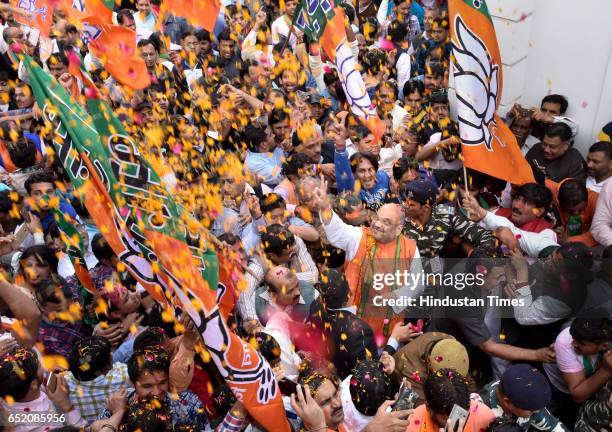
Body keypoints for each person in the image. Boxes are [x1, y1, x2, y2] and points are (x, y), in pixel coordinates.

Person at [313, 177, 423, 336]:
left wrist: (393, 297)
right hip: (354, 326)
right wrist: (325, 207)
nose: (377, 224)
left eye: (386, 222)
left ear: (398, 229)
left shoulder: (410, 248)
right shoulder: (358, 236)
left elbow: (417, 284)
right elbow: (337, 231)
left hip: (389, 329)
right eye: (377, 218)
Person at [98, 346, 208, 430]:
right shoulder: (117, 404)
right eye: (147, 386)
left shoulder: (189, 405)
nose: (156, 392)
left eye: (162, 383)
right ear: (133, 383)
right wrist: (119, 414)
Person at [543, 317, 611, 426]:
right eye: (574, 337)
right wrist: (606, 370)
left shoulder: (605, 339)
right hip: (556, 387)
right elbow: (577, 394)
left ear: (604, 346)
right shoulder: (564, 342)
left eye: (581, 343)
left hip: (589, 389)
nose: (573, 343)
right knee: (543, 413)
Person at [0, 347, 87, 431]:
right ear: (33, 384)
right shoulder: (39, 424)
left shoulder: (10, 390)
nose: (43, 366)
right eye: (39, 365)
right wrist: (66, 405)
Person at [479, 363, 570, 431]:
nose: (537, 411)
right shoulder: (479, 412)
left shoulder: (527, 400)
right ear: (507, 402)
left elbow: (554, 426)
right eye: (531, 409)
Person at [64, 336, 131, 422]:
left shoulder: (63, 386)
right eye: (110, 354)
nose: (111, 355)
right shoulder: (124, 375)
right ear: (107, 367)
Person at [405, 368, 496, 432]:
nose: (459, 422)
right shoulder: (410, 426)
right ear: (429, 408)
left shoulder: (486, 419)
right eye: (447, 418)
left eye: (462, 413)